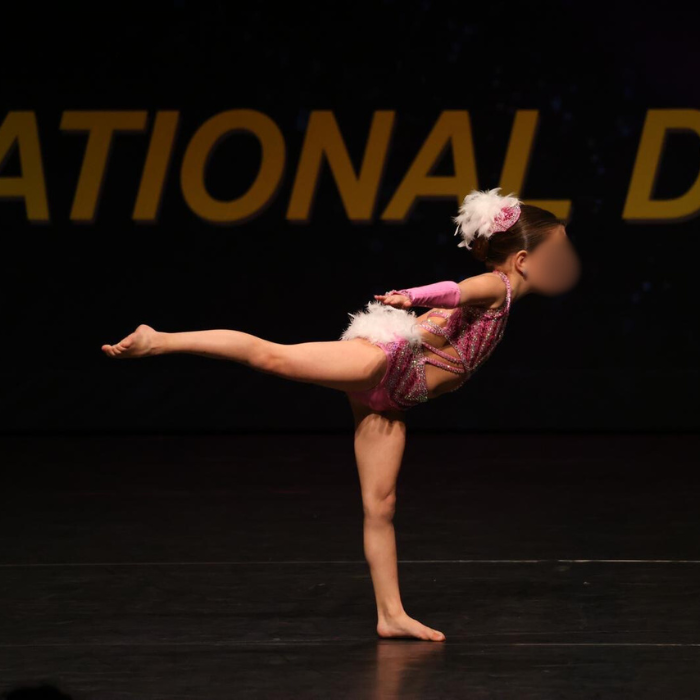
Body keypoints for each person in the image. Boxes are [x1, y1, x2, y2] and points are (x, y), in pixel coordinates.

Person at [101, 188, 580, 642]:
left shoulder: (508, 297)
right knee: (275, 357)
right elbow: (456, 290)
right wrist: (413, 297)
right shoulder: (497, 287)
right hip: (386, 362)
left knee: (381, 506)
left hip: (396, 401)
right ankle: (158, 339)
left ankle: (390, 615)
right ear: (522, 260)